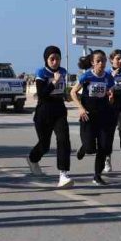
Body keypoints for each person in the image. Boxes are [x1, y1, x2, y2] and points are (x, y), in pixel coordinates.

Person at [27, 46, 73, 188]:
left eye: (57, 58)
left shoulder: (63, 72)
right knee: (45, 145)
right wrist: (54, 82)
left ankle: (63, 174)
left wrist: (66, 95)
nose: (55, 61)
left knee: (64, 139)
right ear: (46, 60)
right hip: (43, 112)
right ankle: (32, 159)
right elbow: (42, 94)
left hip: (59, 110)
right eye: (52, 59)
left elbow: (62, 89)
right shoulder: (41, 72)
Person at [70, 50, 117, 185]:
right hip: (88, 115)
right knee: (91, 147)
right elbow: (73, 92)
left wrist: (111, 97)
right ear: (92, 62)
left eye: (103, 61)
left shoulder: (108, 77)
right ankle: (84, 147)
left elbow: (111, 95)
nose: (101, 63)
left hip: (104, 114)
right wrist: (80, 108)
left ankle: (97, 175)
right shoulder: (87, 76)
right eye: (98, 61)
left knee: (103, 146)